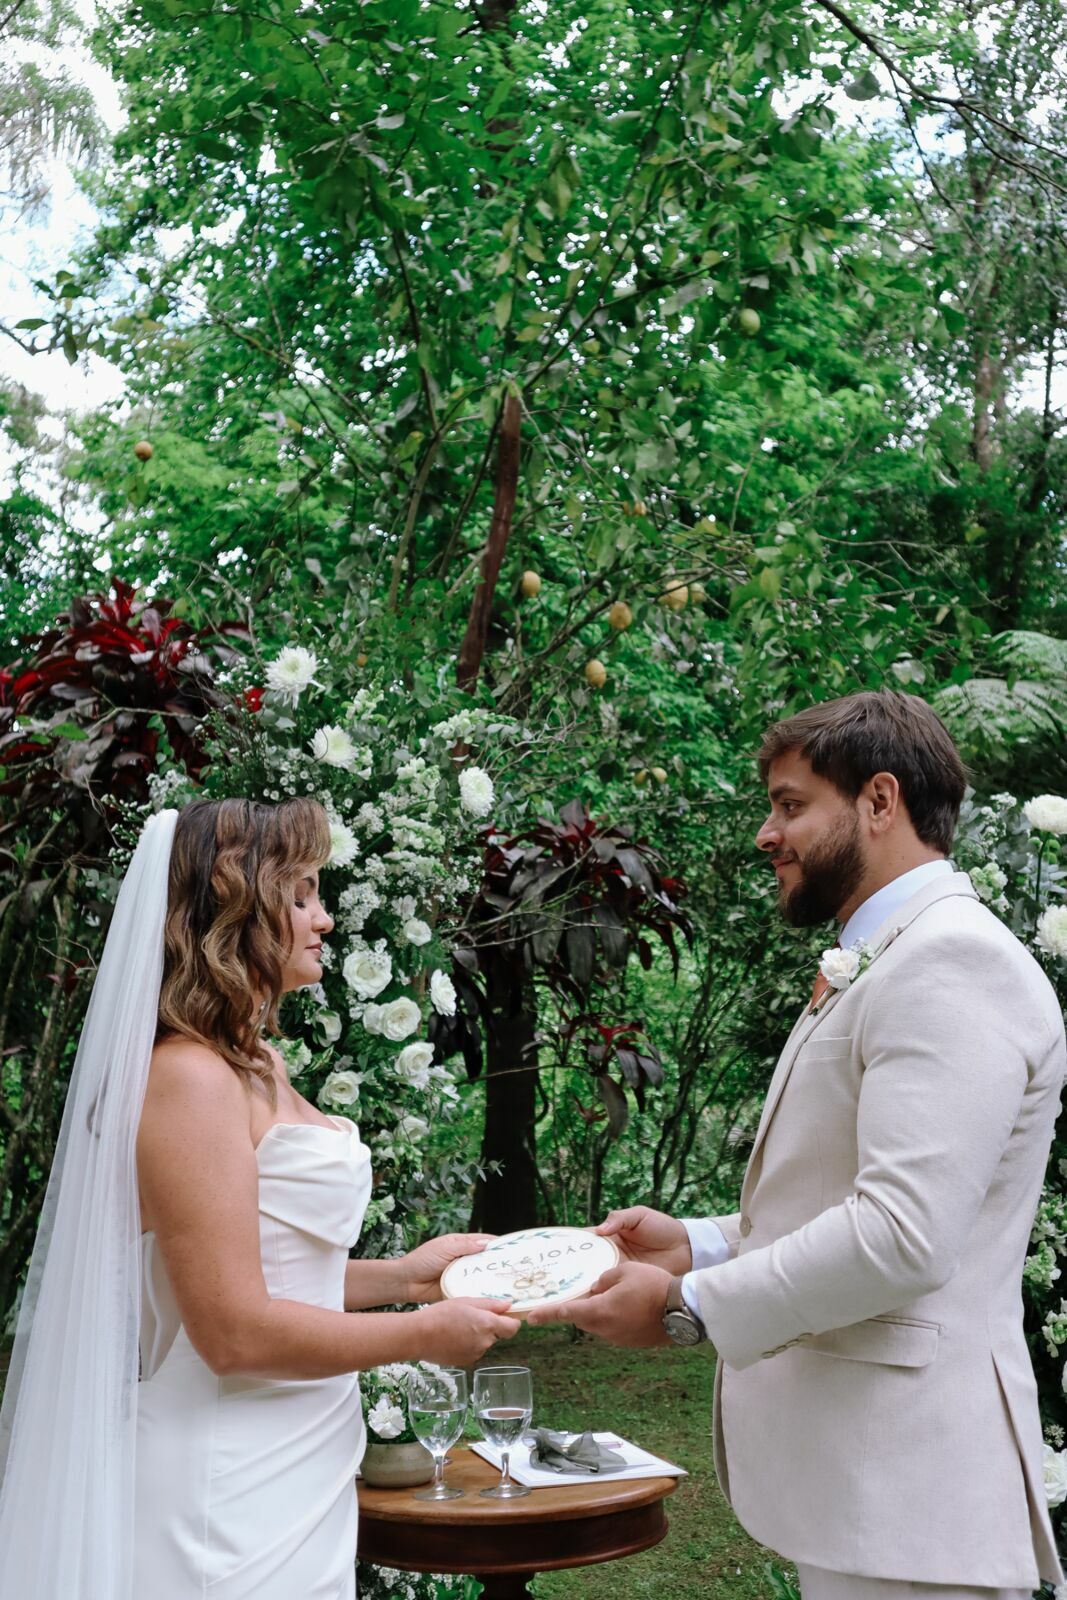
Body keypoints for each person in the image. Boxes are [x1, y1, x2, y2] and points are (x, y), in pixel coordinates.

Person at [530, 691, 1065, 1600]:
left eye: (789, 805)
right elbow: (844, 1199)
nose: (764, 834)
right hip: (869, 1493)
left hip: (913, 1499)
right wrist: (696, 1241)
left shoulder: (949, 962)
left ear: (879, 802)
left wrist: (684, 1303)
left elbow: (902, 1235)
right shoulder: (893, 953)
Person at [0, 797, 519, 1600]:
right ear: (237, 907)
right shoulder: (189, 1079)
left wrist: (409, 1278)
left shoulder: (257, 1065)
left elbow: (267, 1274)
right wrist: (422, 1333)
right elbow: (233, 1331)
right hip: (222, 1486)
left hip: (296, 1465)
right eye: (302, 894)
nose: (325, 919)